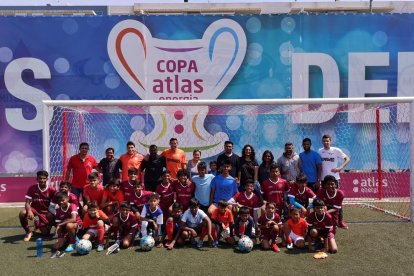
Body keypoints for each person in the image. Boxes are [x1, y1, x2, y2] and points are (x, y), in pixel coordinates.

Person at [319, 134, 350, 229]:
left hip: (335, 179)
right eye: (324, 141)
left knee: (338, 201)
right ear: (322, 142)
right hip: (324, 179)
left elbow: (347, 159)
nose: (326, 142)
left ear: (330, 141)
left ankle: (340, 221)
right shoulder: (320, 151)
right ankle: (324, 219)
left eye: (327, 141)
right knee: (323, 201)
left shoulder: (336, 150)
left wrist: (341, 167)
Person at [19, 170, 56, 241]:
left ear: (47, 179)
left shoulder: (52, 189)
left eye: (44, 178)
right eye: (40, 178)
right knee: (22, 213)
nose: (42, 180)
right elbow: (27, 202)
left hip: (46, 213)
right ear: (37, 179)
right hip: (35, 210)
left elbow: (57, 203)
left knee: (45, 234)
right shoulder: (32, 188)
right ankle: (28, 232)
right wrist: (29, 211)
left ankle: (39, 224)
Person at [50, 192, 82, 257]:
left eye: (62, 200)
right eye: (59, 201)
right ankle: (70, 238)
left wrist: (61, 224)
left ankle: (73, 242)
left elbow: (73, 219)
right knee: (55, 247)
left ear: (67, 199)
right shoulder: (58, 209)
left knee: (69, 225)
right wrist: (59, 238)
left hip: (77, 225)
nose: (61, 202)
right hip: (65, 229)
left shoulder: (73, 205)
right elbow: (58, 225)